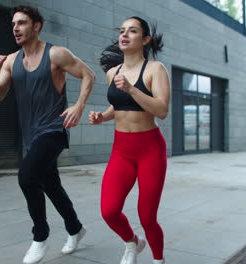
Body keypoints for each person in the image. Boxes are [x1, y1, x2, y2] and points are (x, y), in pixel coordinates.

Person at [0, 5, 95, 264]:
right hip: (31, 135)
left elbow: (88, 74)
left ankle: (40, 236)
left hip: (54, 130)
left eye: (22, 23)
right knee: (51, 186)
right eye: (14, 24)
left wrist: (78, 106)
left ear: (36, 26)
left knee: (26, 177)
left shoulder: (56, 54)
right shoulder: (12, 61)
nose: (16, 28)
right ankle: (76, 229)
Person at [89, 16, 170, 264]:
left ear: (145, 39)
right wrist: (103, 116)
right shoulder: (113, 72)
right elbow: (117, 104)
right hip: (121, 149)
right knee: (109, 211)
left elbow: (162, 110)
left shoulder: (156, 69)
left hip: (150, 150)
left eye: (132, 31)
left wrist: (132, 89)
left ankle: (158, 260)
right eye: (122, 31)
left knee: (147, 216)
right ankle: (133, 243)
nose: (124, 35)